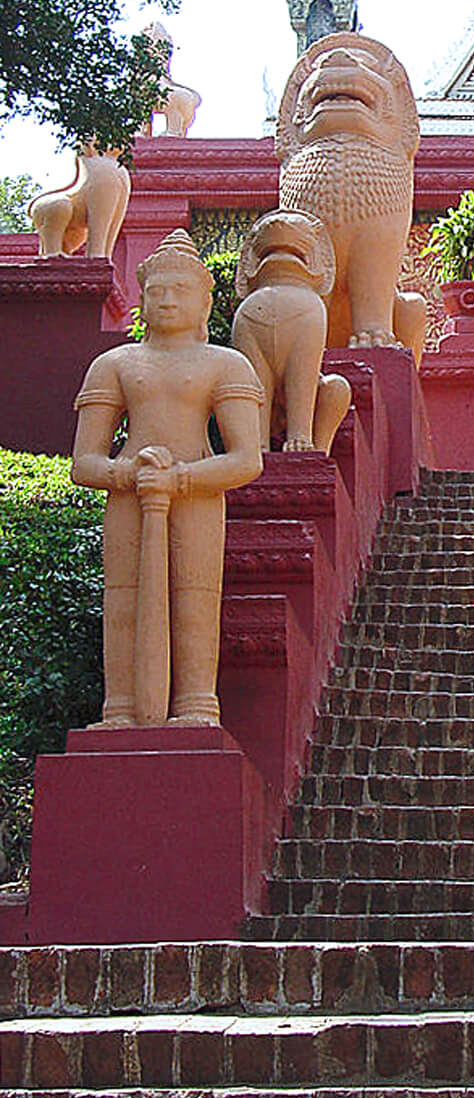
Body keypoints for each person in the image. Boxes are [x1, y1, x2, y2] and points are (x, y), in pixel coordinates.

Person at [71, 230, 264, 728]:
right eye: (156, 291)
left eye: (181, 290)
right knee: (123, 597)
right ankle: (119, 705)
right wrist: (127, 473)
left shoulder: (225, 364)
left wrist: (180, 479)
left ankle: (198, 701)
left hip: (196, 493)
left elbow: (247, 459)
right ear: (142, 299)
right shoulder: (115, 365)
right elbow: (84, 463)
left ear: (205, 303)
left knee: (196, 597)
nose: (168, 300)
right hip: (130, 494)